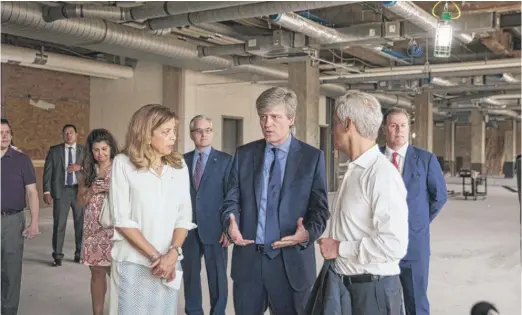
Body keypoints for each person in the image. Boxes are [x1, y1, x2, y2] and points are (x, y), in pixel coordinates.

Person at [220, 87, 329, 315]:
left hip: (291, 264)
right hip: (250, 262)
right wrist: (230, 223)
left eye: (275, 117)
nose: (267, 123)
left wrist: (306, 234)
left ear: (291, 119)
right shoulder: (244, 154)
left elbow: (320, 211)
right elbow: (232, 198)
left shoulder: (312, 158)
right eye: (262, 117)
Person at [317, 91, 408, 315]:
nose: (332, 130)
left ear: (348, 125)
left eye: (336, 123)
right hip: (348, 286)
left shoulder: (381, 174)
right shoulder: (355, 170)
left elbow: (394, 244)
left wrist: (339, 247)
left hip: (371, 293)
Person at [108, 104, 196, 315]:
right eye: (166, 132)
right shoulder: (123, 164)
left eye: (174, 131)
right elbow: (122, 219)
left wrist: (173, 253)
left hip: (170, 261)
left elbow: (184, 215)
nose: (173, 137)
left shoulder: (179, 166)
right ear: (146, 134)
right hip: (134, 262)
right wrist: (157, 258)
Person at [382, 107, 448, 315]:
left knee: (416, 303)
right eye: (393, 125)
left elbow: (439, 196)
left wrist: (418, 221)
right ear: (384, 129)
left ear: (409, 129)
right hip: (379, 246)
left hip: (414, 244)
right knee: (382, 303)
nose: (398, 130)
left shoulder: (425, 159)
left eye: (403, 126)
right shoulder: (373, 158)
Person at [182, 115, 232, 315]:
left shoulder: (226, 161)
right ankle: (193, 312)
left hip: (216, 229)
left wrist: (229, 228)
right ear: (192, 134)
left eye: (208, 130)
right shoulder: (182, 161)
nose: (204, 134)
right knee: (191, 275)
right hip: (189, 230)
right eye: (199, 131)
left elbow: (232, 197)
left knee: (218, 276)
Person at [76, 129, 119, 315]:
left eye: (104, 149)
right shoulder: (87, 171)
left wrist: (113, 189)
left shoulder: (120, 168)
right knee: (97, 273)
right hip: (93, 228)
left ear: (111, 149)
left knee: (118, 274)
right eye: (96, 150)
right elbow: (80, 201)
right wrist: (92, 189)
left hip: (115, 228)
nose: (100, 154)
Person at [1, 118, 40, 315]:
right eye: (0, 132)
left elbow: (32, 192)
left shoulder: (21, 160)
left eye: (7, 132)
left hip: (13, 221)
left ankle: (8, 311)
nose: (4, 136)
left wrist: (34, 221)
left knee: (11, 270)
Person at [43, 124, 85, 266]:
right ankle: (57, 256)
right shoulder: (54, 151)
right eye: (65, 133)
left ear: (76, 134)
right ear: (63, 135)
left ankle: (79, 254)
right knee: (59, 225)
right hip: (61, 191)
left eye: (71, 132)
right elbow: (47, 172)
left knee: (80, 224)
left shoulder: (84, 151)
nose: (68, 135)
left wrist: (80, 167)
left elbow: (92, 169)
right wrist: (46, 191)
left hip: (79, 192)